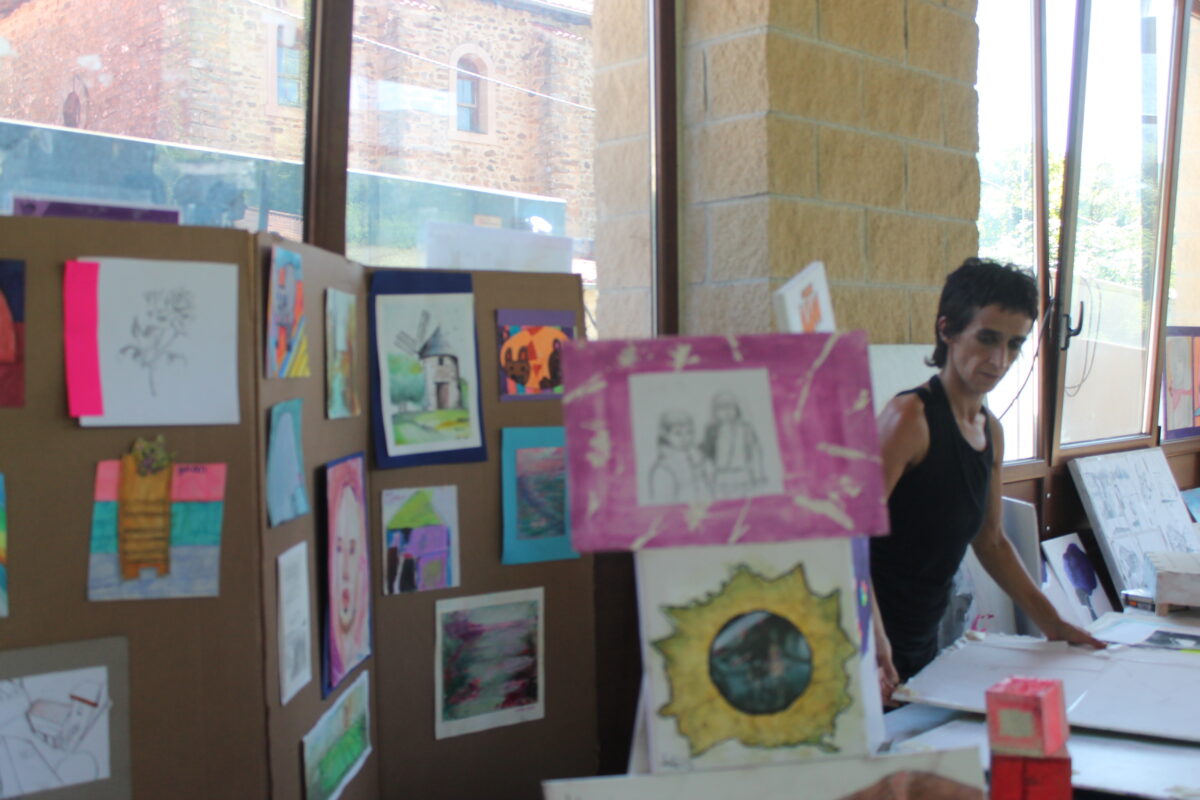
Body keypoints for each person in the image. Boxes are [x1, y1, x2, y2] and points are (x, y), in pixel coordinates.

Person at [871, 258, 1103, 701]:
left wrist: (1053, 624)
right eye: (987, 338)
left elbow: (991, 541)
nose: (1000, 360)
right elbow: (847, 542)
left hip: (922, 639)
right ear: (948, 329)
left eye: (1015, 344)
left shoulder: (990, 431)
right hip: (870, 640)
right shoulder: (908, 419)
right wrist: (870, 639)